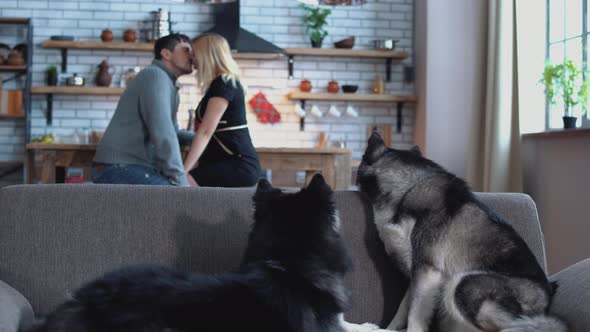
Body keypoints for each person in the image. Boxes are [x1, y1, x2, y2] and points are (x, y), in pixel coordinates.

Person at [92, 33, 194, 186]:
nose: (192, 55)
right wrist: (181, 182)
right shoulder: (155, 76)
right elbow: (164, 135)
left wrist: (200, 138)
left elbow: (172, 132)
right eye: (186, 49)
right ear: (166, 53)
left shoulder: (167, 83)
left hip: (126, 167)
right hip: (119, 167)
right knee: (178, 200)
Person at [183, 33, 261, 187]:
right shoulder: (221, 84)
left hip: (238, 165)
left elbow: (206, 132)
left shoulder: (224, 83)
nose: (192, 58)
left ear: (207, 55)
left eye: (195, 53)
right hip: (229, 162)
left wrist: (183, 170)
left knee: (184, 184)